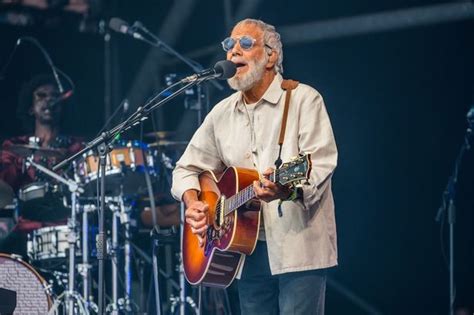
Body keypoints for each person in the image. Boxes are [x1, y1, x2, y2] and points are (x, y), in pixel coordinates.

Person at [171, 18, 338, 314]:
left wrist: (284, 190)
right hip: (244, 251)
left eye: (246, 44)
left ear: (271, 56)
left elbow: (320, 163)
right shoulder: (221, 114)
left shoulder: (303, 100)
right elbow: (185, 169)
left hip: (297, 248)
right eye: (229, 45)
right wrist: (194, 202)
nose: (234, 51)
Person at [0, 74, 82, 256]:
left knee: (102, 249)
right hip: (26, 230)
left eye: (54, 96)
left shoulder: (76, 147)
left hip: (69, 228)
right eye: (41, 95)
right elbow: (4, 187)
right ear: (31, 108)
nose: (49, 100)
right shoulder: (14, 146)